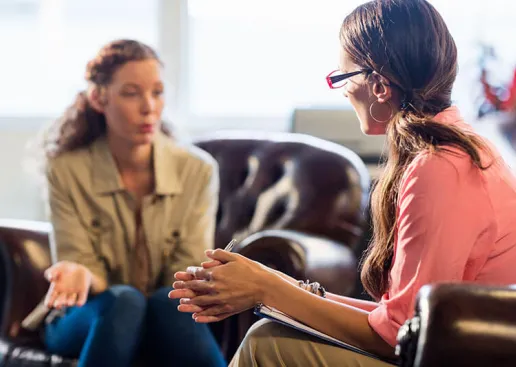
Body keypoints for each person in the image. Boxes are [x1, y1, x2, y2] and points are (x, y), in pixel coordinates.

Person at [169, 1, 516, 366]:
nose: (343, 91)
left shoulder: (440, 167)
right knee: (272, 334)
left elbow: (400, 334)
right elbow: (398, 316)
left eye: (343, 77)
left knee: (267, 343)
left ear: (379, 86)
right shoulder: (458, 148)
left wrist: (266, 286)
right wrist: (273, 285)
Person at [38, 39, 226, 367]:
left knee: (169, 304)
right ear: (99, 98)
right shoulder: (66, 169)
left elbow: (186, 271)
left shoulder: (198, 169)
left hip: (165, 312)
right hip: (85, 314)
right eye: (131, 93)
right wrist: (80, 274)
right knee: (124, 302)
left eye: (157, 92)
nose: (149, 107)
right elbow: (78, 259)